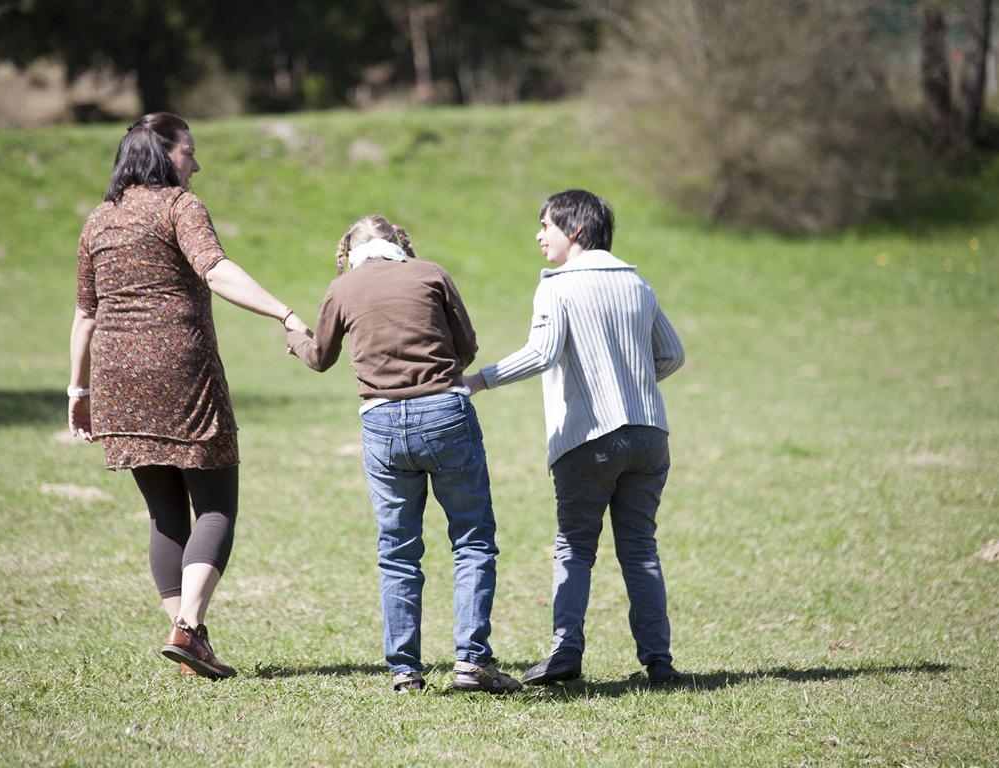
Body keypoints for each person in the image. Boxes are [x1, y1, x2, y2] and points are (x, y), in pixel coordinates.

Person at [67, 112, 309, 680]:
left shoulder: (99, 220)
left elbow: (85, 314)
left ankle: (189, 644)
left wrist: (78, 389)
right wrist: (286, 312)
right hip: (181, 372)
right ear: (161, 156)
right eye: (188, 153)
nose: (195, 165)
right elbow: (216, 270)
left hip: (117, 380)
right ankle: (189, 629)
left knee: (165, 514)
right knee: (218, 503)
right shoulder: (180, 206)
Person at [285, 215, 522, 695]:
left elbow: (320, 357)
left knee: (397, 551)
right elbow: (468, 347)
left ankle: (404, 672)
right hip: (446, 415)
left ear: (350, 250)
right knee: (472, 540)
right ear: (398, 244)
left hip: (380, 423)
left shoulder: (342, 288)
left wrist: (294, 335)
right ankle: (472, 664)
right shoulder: (431, 273)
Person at [463, 189, 685, 686]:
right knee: (641, 550)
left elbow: (542, 353)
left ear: (576, 231)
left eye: (546, 225)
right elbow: (672, 354)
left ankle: (566, 652)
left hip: (589, 439)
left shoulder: (557, 286)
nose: (540, 235)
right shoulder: (637, 282)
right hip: (650, 434)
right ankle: (659, 662)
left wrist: (478, 380)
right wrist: (631, 381)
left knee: (574, 548)